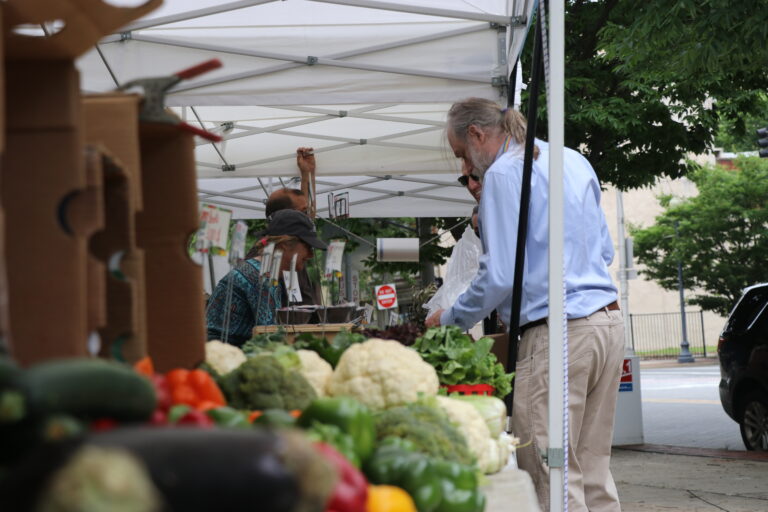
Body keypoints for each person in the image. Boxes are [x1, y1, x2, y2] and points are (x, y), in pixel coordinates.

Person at [425, 97, 623, 512]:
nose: (467, 168)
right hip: (606, 323)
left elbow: (498, 275)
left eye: (462, 154)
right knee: (592, 467)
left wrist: (450, 319)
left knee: (551, 471)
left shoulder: (503, 174)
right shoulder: (571, 159)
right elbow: (605, 250)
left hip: (557, 333)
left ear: (477, 135)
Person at [206, 210, 327, 345]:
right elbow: (271, 337)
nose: (311, 254)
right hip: (224, 355)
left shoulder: (261, 272)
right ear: (285, 244)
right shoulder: (261, 278)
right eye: (308, 246)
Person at [258, 147, 322, 305]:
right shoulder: (275, 257)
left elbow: (308, 211)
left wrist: (308, 174)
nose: (308, 216)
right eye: (303, 212)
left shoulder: (290, 248)